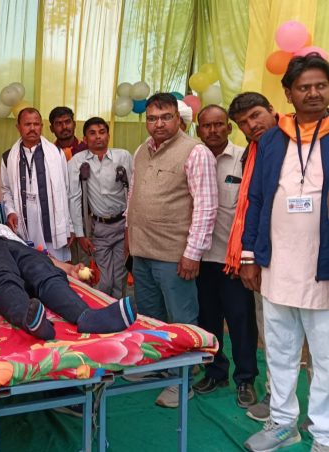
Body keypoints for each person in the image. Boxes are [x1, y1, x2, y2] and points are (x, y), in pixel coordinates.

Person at [241, 54, 329, 452]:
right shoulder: (272, 139)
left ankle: (324, 435)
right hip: (276, 264)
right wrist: (249, 256)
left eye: (320, 85)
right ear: (289, 93)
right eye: (304, 87)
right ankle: (282, 422)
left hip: (322, 267)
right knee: (279, 350)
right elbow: (256, 199)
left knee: (325, 357)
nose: (313, 93)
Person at [126, 92, 218, 408]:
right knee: (150, 316)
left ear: (178, 118)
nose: (159, 124)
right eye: (152, 118)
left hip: (175, 255)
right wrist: (129, 237)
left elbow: (206, 206)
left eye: (166, 117)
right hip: (143, 251)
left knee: (182, 320)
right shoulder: (141, 150)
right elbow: (134, 196)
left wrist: (193, 253)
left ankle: (183, 381)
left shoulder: (195, 152)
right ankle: (157, 369)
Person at [0, 205, 137, 340]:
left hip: (14, 246)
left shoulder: (1, 227)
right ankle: (31, 322)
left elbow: (37, 256)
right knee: (3, 277)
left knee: (43, 271)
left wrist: (67, 268)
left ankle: (86, 316)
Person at [192, 105, 258, 408]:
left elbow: (253, 208)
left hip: (233, 261)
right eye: (207, 126)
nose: (213, 130)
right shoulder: (192, 158)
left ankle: (245, 379)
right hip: (200, 258)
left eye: (219, 124)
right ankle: (215, 372)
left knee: (241, 320)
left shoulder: (245, 159)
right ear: (198, 130)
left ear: (229, 128)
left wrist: (247, 257)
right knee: (207, 319)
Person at [225, 92, 280, 422]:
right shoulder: (253, 152)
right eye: (243, 123)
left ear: (272, 109)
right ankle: (277, 398)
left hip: (309, 256)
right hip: (265, 254)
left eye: (256, 115)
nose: (251, 125)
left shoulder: (297, 143)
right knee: (272, 332)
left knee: (320, 338)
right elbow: (253, 206)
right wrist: (249, 256)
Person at [67, 117, 132, 298]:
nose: (98, 137)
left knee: (119, 278)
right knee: (104, 281)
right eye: (92, 133)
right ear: (85, 138)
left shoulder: (123, 156)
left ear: (108, 136)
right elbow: (74, 198)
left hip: (122, 225)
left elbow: (133, 191)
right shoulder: (77, 161)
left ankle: (118, 311)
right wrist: (80, 234)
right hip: (99, 229)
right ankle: (103, 310)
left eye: (102, 132)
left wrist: (132, 229)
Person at [1, 108, 73, 262]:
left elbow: (67, 191)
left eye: (36, 124)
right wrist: (10, 211)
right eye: (27, 124)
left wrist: (70, 227)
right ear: (18, 127)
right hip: (24, 224)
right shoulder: (8, 157)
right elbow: (5, 189)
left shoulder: (57, 153)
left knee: (57, 268)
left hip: (51, 226)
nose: (32, 128)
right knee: (28, 267)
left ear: (42, 126)